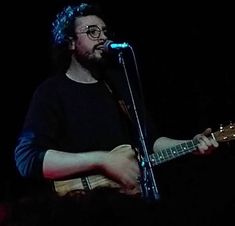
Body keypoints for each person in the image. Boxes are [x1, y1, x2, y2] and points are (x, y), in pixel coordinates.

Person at [14, 1, 218, 202]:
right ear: (70, 42)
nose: (102, 37)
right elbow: (27, 159)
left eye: (104, 31)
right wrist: (103, 160)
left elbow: (151, 143)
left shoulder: (118, 84)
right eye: (92, 31)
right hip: (80, 208)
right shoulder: (51, 92)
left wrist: (192, 144)